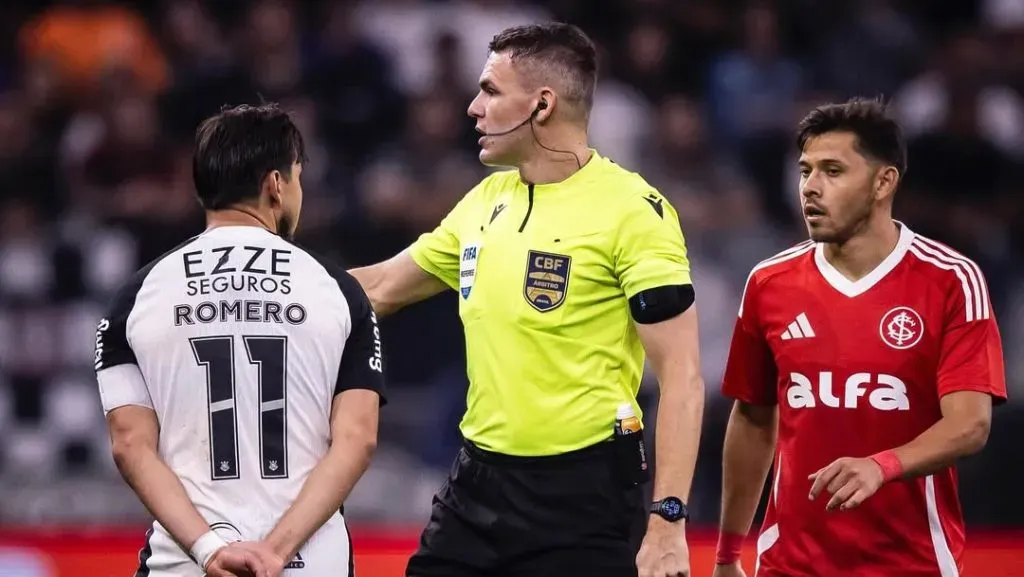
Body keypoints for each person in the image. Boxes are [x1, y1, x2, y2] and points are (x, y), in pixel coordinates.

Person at [350, 23, 704, 577]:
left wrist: (667, 522)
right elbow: (378, 288)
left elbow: (683, 376)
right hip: (477, 484)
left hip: (584, 498)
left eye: (490, 91)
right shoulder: (485, 199)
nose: (472, 107)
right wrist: (274, 285)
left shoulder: (635, 212)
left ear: (542, 104)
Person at [713, 98, 1007, 577]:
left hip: (911, 563)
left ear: (882, 182)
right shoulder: (769, 283)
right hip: (790, 564)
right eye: (805, 170)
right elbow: (752, 419)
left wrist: (883, 465)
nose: (810, 187)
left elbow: (971, 425)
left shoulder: (951, 280)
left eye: (832, 171)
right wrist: (727, 556)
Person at [94, 103, 386, 577]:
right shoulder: (337, 291)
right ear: (276, 185)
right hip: (311, 562)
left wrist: (210, 550)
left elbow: (130, 446)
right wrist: (275, 552)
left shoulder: (135, 297)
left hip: (185, 562)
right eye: (297, 177)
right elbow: (358, 439)